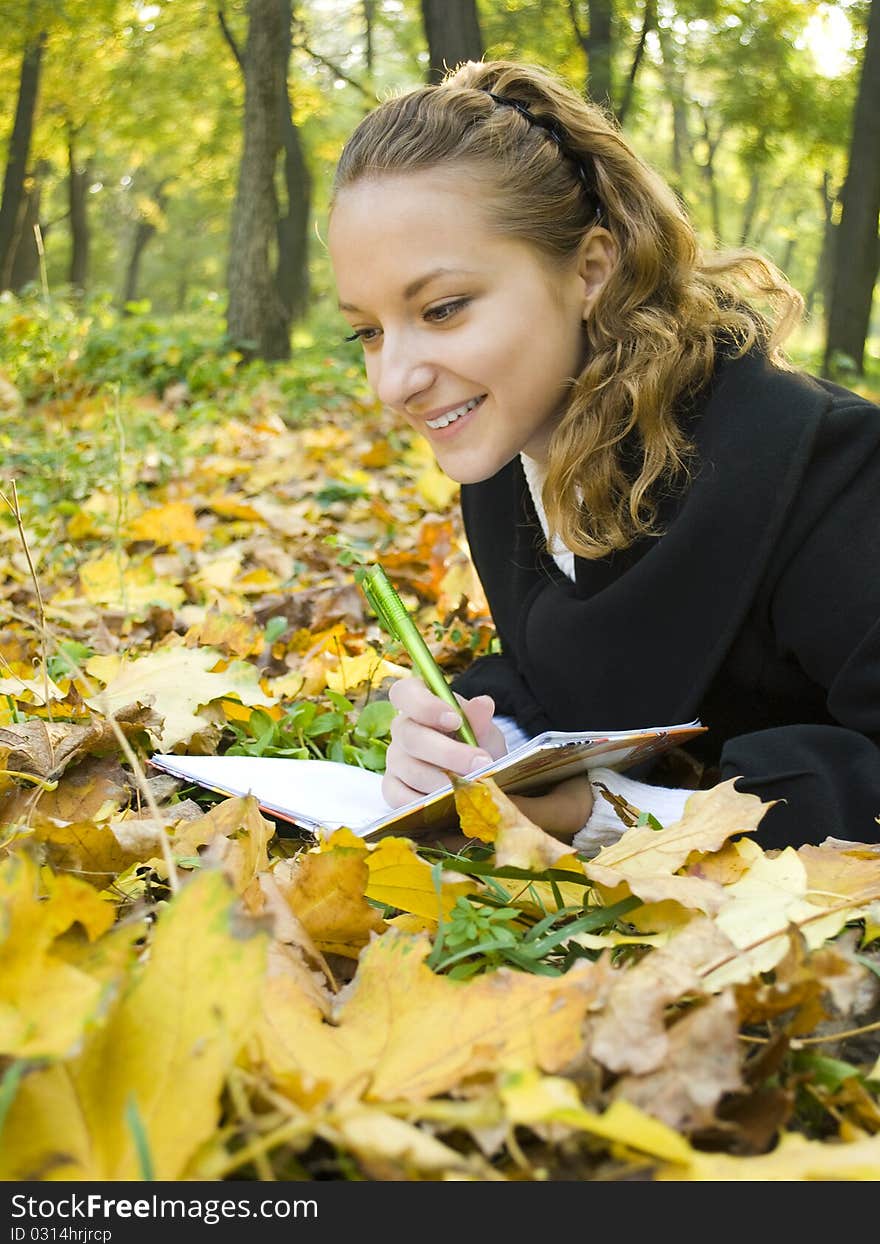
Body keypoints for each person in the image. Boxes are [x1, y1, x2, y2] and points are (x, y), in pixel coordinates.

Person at [327, 58, 880, 854]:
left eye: (442, 309)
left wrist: (606, 816)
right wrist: (490, 745)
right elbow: (581, 672)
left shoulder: (824, 469)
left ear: (591, 269)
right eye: (369, 332)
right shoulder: (504, 462)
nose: (394, 381)